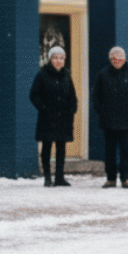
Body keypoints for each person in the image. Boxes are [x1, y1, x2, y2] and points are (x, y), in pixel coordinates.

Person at [91, 46, 128, 188]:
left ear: (124, 58)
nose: (117, 60)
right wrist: (102, 112)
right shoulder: (103, 74)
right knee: (109, 151)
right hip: (108, 120)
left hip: (126, 120)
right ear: (110, 59)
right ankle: (110, 178)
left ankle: (125, 178)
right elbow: (95, 96)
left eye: (120, 58)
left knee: (125, 150)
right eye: (114, 58)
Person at [29, 45, 77, 187]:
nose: (58, 61)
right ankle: (47, 177)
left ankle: (59, 178)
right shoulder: (42, 75)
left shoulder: (66, 75)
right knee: (47, 147)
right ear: (50, 59)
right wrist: (43, 108)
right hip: (48, 117)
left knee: (61, 147)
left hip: (63, 117)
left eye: (61, 58)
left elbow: (72, 95)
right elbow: (34, 95)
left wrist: (72, 109)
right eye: (55, 58)